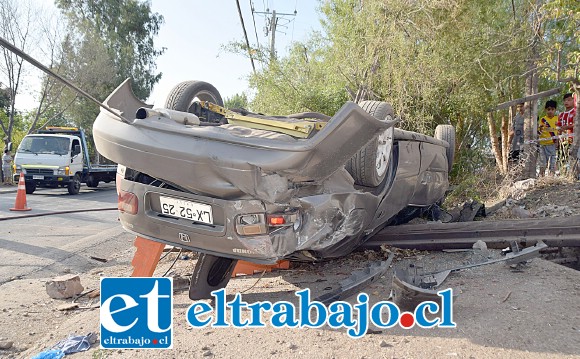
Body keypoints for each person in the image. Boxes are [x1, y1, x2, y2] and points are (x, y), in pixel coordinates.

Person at [537, 100, 558, 176]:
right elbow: (539, 131)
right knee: (543, 163)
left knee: (552, 162)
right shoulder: (543, 120)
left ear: (555, 110)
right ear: (546, 110)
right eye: (548, 109)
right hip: (543, 145)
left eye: (552, 109)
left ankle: (551, 177)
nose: (550, 111)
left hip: (552, 144)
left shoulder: (557, 119)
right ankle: (541, 177)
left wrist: (557, 142)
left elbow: (558, 132)